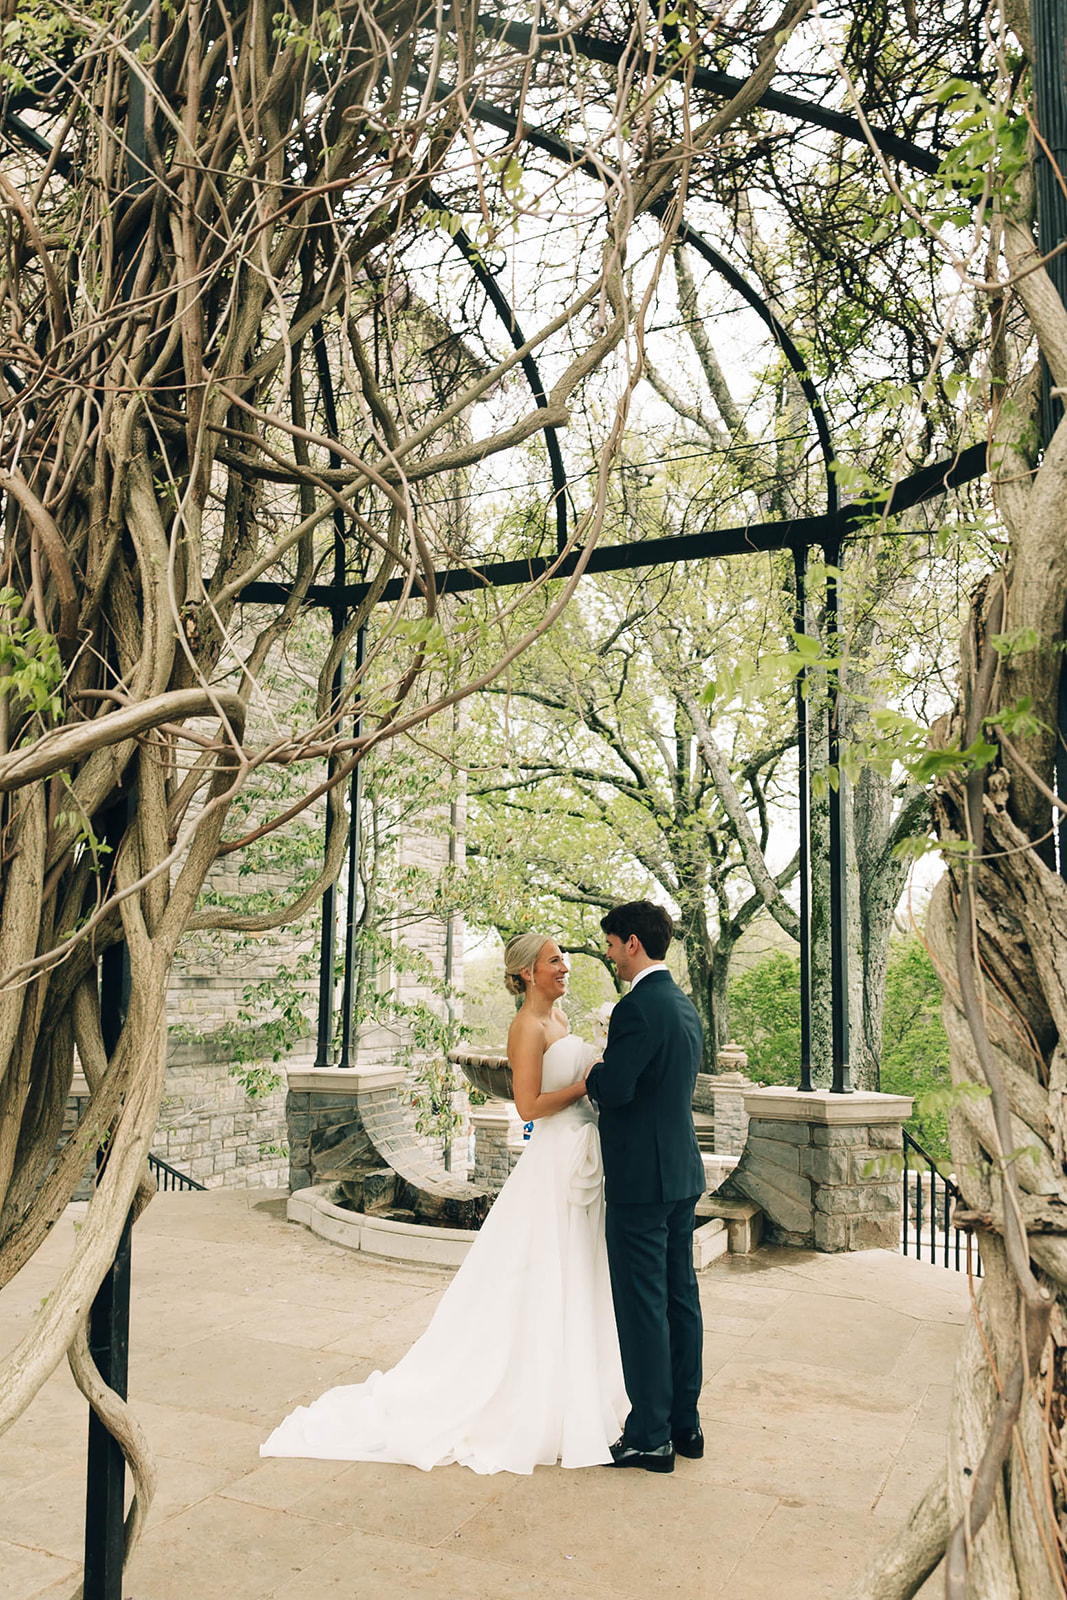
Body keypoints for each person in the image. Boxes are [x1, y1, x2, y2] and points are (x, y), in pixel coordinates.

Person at [260, 932, 627, 1474]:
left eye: (563, 961)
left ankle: (571, 1384)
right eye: (554, 961)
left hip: (579, 1158)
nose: (564, 967)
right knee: (536, 1270)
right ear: (527, 972)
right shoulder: (525, 1027)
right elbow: (527, 1105)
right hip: (551, 1160)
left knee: (575, 1270)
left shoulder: (565, 1022)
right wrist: (587, 1084)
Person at [584, 900, 705, 1474]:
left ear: (633, 943)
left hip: (641, 1182)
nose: (609, 955)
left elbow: (619, 1088)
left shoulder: (637, 1009)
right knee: (680, 1298)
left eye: (610, 944)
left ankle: (649, 1436)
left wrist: (594, 1074)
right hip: (681, 1174)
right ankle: (686, 1424)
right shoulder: (683, 1005)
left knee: (643, 1308)